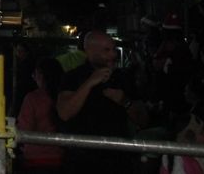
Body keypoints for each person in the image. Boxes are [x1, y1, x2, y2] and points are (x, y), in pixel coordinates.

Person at [56, 31, 144, 173]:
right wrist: (90, 82)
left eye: (114, 49)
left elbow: (143, 119)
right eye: (106, 50)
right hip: (81, 161)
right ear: (90, 51)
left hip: (118, 160)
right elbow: (65, 113)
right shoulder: (73, 77)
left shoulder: (123, 78)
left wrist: (125, 102)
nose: (113, 55)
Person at [16, 58, 63, 171]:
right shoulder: (66, 96)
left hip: (36, 158)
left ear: (41, 75)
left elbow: (24, 130)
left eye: (35, 74)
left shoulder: (33, 98)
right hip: (62, 156)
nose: (33, 77)